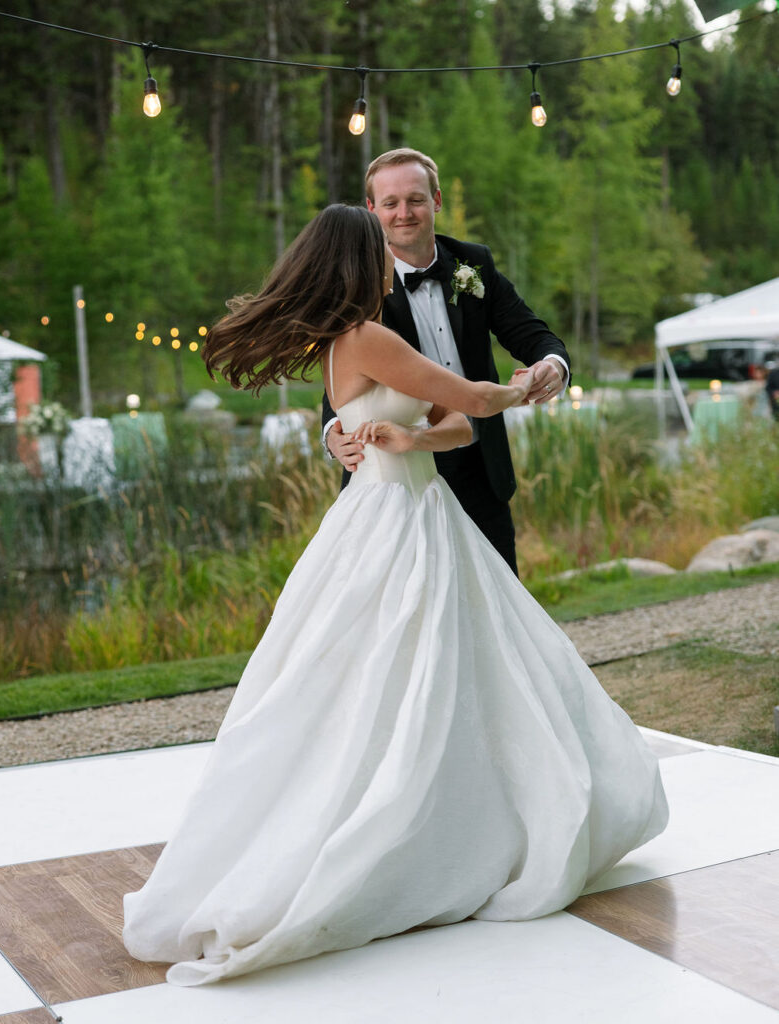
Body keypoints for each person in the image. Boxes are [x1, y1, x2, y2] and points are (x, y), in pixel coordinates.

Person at [123, 204, 667, 987]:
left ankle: (457, 807)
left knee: (450, 665)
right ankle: (401, 832)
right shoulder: (367, 337)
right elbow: (474, 402)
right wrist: (522, 389)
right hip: (395, 521)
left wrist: (417, 436)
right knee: (403, 670)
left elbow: (446, 422)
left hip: (416, 506)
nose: (392, 254)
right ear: (356, 259)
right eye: (379, 245)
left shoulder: (346, 340)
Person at [323, 148, 570, 574]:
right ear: (371, 209)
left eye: (416, 200)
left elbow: (532, 333)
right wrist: (332, 432)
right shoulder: (357, 285)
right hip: (398, 474)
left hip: (478, 463)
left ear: (436, 201)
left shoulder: (474, 264)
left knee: (496, 604)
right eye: (390, 203)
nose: (404, 213)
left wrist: (551, 364)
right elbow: (344, 370)